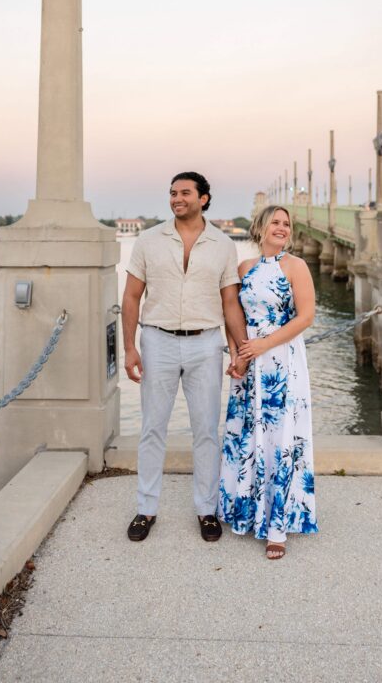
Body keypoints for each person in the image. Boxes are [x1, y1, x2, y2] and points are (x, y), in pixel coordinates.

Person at [122, 171, 248, 543]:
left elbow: (230, 302)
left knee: (207, 430)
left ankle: (206, 511)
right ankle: (146, 509)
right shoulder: (148, 241)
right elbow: (131, 297)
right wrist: (130, 346)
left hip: (206, 343)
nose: (177, 198)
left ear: (204, 198)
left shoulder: (223, 245)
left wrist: (240, 350)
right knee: (152, 429)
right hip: (157, 340)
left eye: (185, 193)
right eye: (173, 193)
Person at [218, 205, 318, 559]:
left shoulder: (296, 266)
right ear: (260, 228)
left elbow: (306, 316)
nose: (282, 228)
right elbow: (233, 316)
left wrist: (264, 344)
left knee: (279, 436)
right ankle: (245, 510)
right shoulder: (244, 268)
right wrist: (237, 355)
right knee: (246, 432)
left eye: (286, 224)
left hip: (282, 360)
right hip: (249, 358)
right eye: (275, 222)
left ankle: (277, 526)